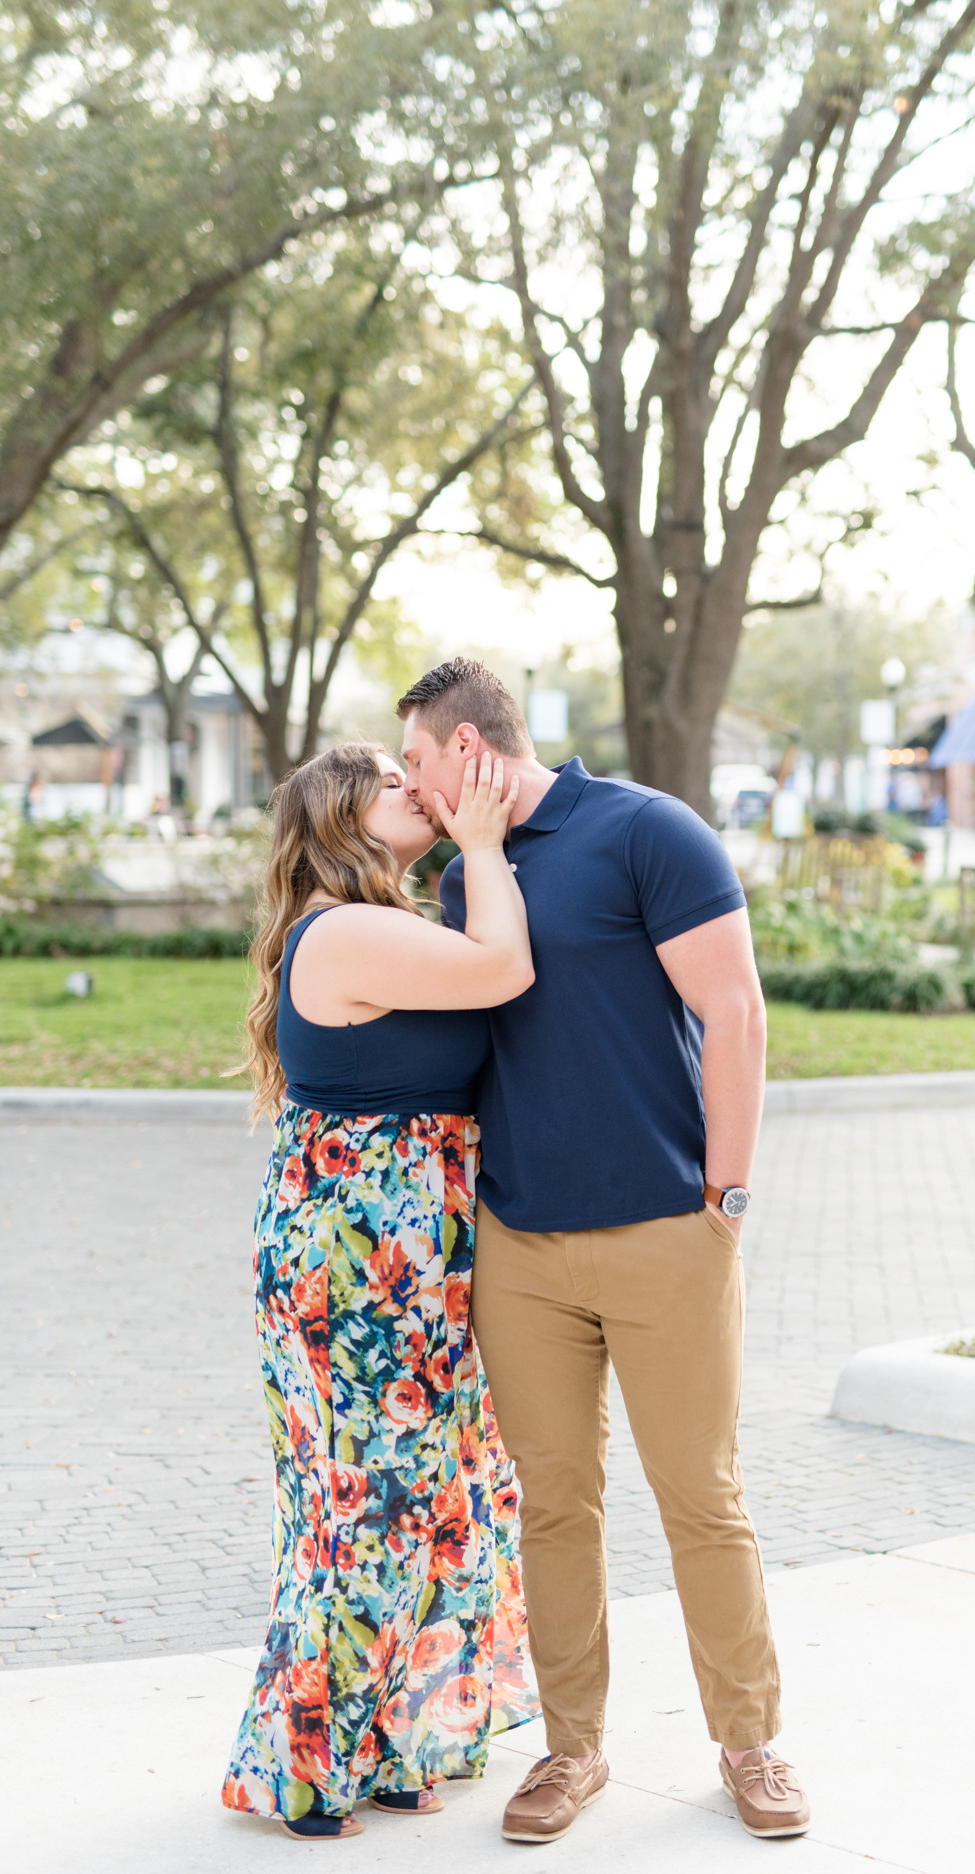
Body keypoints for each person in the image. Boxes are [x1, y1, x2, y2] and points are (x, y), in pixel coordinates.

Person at [399, 660, 810, 1845]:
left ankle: (750, 1741)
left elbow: (733, 1010)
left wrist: (723, 1193)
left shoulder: (645, 832)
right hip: (519, 1243)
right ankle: (569, 1750)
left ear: (469, 745)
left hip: (663, 1234)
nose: (414, 786)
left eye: (419, 761)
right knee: (554, 1506)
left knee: (701, 1496)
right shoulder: (454, 879)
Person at [222, 742, 539, 1842]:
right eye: (391, 782)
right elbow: (504, 969)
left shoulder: (383, 920)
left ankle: (398, 1740)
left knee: (437, 1492)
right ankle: (308, 1765)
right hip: (360, 1254)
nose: (419, 788)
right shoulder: (346, 926)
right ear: (339, 820)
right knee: (365, 1502)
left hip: (414, 1244)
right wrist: (485, 842)